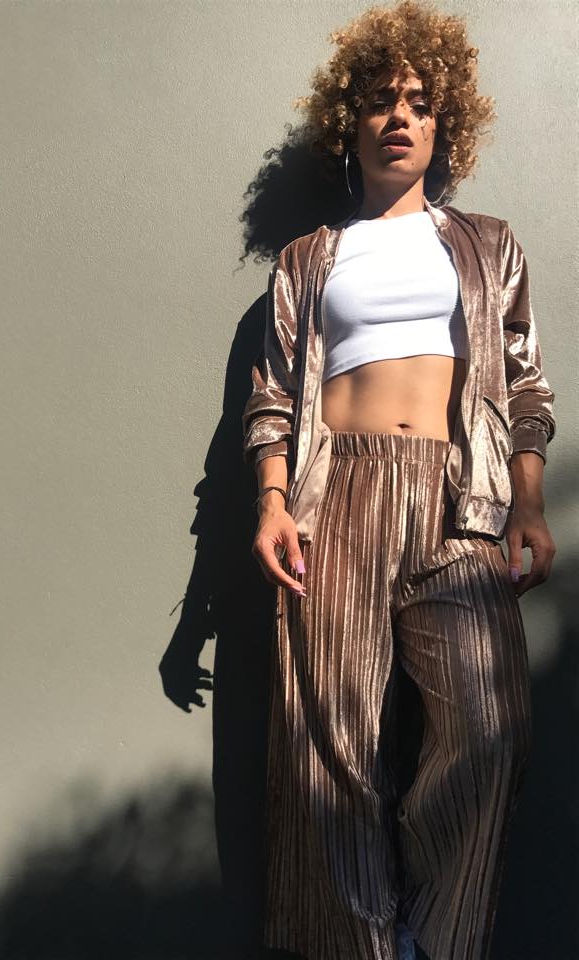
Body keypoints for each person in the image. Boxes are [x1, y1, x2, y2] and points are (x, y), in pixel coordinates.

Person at [241, 2, 557, 959]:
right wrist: (271, 500)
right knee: (329, 746)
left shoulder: (488, 244)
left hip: (460, 500)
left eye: (419, 102)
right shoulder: (308, 259)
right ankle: (362, 946)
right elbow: (272, 392)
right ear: (353, 121)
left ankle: (434, 934)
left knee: (491, 729)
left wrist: (528, 504)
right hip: (334, 498)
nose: (400, 116)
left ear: (442, 122)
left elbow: (526, 384)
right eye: (382, 100)